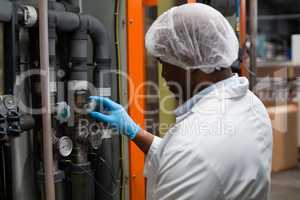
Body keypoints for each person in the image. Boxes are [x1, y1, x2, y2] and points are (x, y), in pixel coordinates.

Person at [89, 3, 272, 200]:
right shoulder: (252, 105)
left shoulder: (192, 148)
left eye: (164, 63)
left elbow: (188, 155)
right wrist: (134, 131)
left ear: (188, 59)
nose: (163, 74)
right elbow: (181, 156)